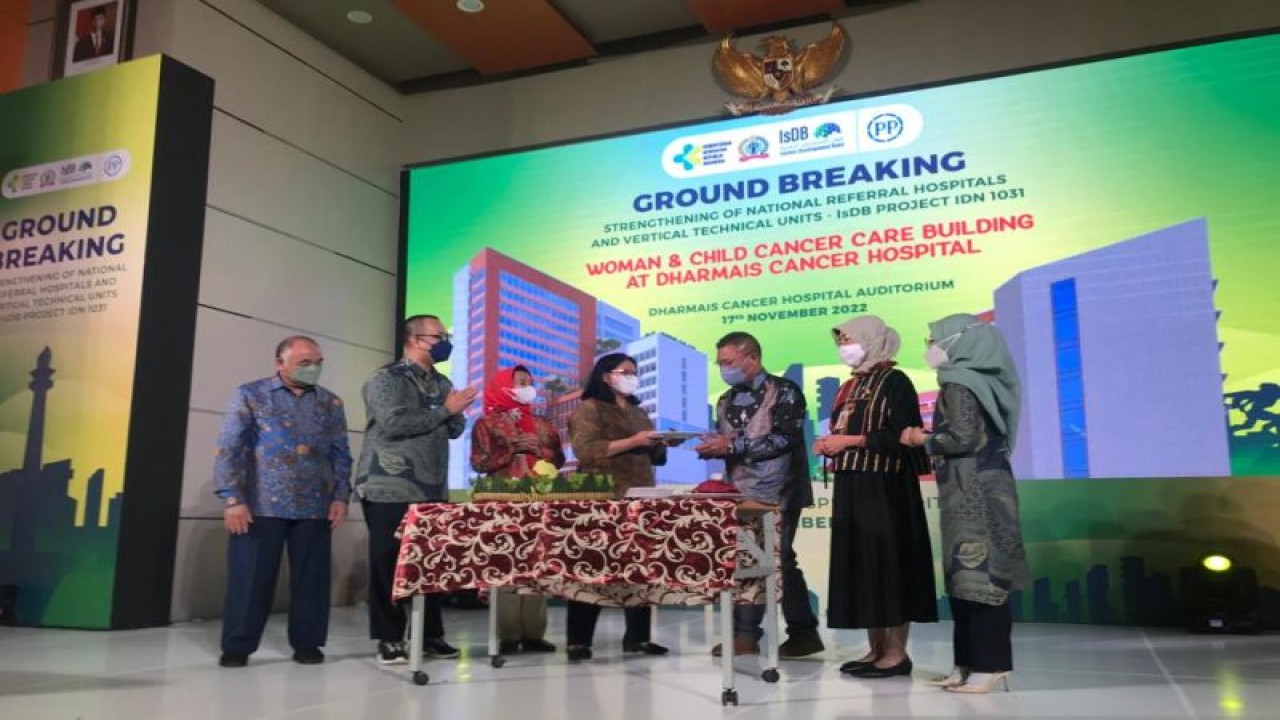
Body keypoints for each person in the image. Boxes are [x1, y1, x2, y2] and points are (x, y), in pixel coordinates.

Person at [899, 313, 1029, 694]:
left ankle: (987, 666)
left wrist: (918, 438)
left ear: (961, 341)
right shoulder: (987, 380)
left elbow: (963, 437)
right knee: (970, 577)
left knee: (979, 576)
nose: (930, 348)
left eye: (934, 339)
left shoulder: (958, 382)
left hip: (973, 491)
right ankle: (969, 663)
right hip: (986, 487)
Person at [213, 336, 352, 668]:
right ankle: (238, 646)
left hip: (315, 505)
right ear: (280, 363)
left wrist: (341, 496)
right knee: (250, 579)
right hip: (260, 505)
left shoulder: (330, 403)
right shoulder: (250, 395)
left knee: (312, 581)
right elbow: (231, 448)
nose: (313, 367)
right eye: (304, 362)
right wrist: (233, 498)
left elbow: (341, 454)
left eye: (317, 361)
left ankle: (308, 643)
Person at [811, 316, 937, 679]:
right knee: (864, 565)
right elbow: (845, 429)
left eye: (850, 338)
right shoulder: (850, 386)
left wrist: (849, 442)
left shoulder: (895, 380)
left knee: (889, 563)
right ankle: (876, 649)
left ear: (872, 339)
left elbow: (902, 435)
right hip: (852, 481)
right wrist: (829, 445)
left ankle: (896, 654)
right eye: (842, 339)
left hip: (887, 485)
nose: (844, 345)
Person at [355, 315, 477, 665]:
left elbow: (453, 428)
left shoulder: (441, 382)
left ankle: (429, 635)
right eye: (439, 336)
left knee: (433, 563)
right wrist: (445, 410)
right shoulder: (386, 379)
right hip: (388, 487)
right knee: (388, 563)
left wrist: (455, 412)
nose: (445, 341)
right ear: (414, 340)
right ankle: (389, 637)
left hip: (431, 487)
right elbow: (393, 424)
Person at [695, 331, 825, 658]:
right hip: (739, 491)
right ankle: (747, 636)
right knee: (744, 558)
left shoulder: (784, 392)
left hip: (782, 489)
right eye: (720, 363)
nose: (723, 368)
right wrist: (712, 447)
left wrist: (733, 445)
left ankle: (802, 633)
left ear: (752, 358)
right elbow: (728, 441)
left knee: (779, 557)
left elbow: (784, 439)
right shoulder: (724, 399)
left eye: (728, 362)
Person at [564, 353, 672, 662]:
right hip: (603, 497)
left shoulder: (638, 411)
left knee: (641, 566)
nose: (631, 377)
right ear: (606, 376)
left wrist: (660, 444)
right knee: (592, 565)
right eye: (625, 372)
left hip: (641, 495)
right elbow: (587, 452)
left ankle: (638, 638)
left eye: (634, 372)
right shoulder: (590, 409)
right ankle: (579, 641)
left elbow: (653, 457)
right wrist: (634, 441)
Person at [470, 365, 564, 654]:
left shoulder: (544, 424)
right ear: (503, 386)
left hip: (540, 500)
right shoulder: (486, 423)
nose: (528, 387)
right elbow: (478, 462)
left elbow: (559, 458)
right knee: (507, 563)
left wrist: (541, 450)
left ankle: (534, 633)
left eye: (530, 382)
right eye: (521, 382)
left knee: (537, 563)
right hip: (503, 502)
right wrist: (511, 450)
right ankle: (508, 635)